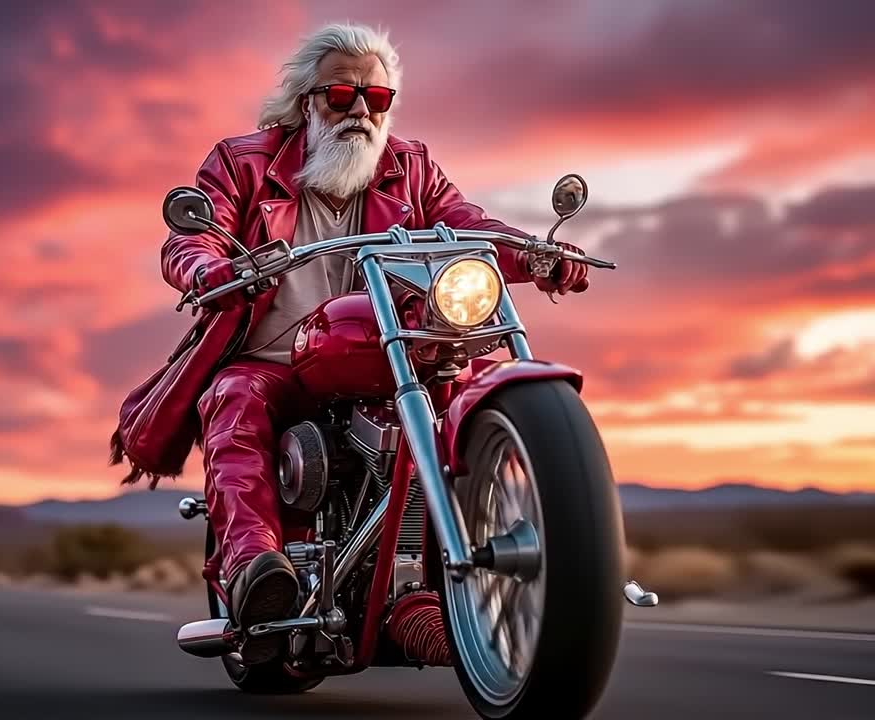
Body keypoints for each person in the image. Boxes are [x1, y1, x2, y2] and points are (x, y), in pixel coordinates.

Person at [112, 22, 589, 664]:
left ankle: (442, 583)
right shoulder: (243, 161)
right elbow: (197, 235)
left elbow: (470, 225)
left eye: (377, 98)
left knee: (452, 378)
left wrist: (539, 255)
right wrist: (206, 266)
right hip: (276, 361)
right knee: (233, 397)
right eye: (341, 96)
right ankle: (257, 569)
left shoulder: (410, 167)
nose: (361, 110)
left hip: (385, 351)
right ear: (306, 101)